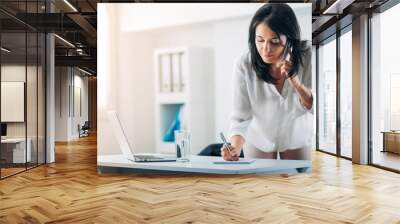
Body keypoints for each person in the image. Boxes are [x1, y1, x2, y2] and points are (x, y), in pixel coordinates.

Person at [221, 3, 313, 161]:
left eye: (274, 41)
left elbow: (312, 104)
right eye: (260, 40)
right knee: (261, 183)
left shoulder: (308, 55)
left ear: (290, 38)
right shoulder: (244, 64)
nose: (265, 49)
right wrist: (235, 146)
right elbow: (241, 116)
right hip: (259, 139)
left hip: (297, 137)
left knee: (298, 182)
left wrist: (295, 81)